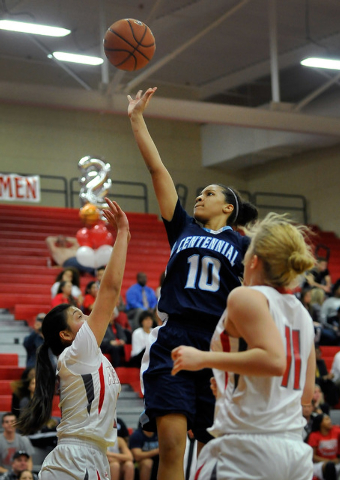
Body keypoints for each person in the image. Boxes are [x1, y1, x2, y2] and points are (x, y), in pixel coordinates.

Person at [128, 87, 258, 480]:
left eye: (210, 193)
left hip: (219, 341)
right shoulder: (181, 227)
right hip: (175, 336)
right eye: (199, 193)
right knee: (170, 446)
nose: (200, 197)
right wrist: (137, 118)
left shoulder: (244, 243)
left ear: (228, 207)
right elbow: (158, 171)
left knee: (211, 451)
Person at [171, 212, 316, 480]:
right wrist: (231, 385)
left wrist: (203, 359)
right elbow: (305, 395)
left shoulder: (245, 296)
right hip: (295, 449)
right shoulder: (302, 313)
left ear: (254, 260)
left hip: (246, 450)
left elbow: (273, 361)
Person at [16, 198, 130, 480]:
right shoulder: (79, 351)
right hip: (76, 460)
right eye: (80, 317)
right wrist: (123, 233)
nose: (88, 318)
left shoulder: (90, 357)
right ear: (66, 335)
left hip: (92, 457)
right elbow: (111, 289)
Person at [307, 413, 340, 480]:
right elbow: (313, 456)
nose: (330, 421)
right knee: (330, 466)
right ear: (320, 423)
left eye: (329, 419)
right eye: (326, 419)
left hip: (336, 462)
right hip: (319, 465)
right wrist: (330, 461)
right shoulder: (314, 435)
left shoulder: (335, 430)